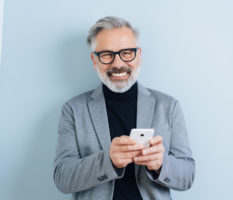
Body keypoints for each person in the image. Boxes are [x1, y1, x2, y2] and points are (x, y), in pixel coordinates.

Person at [53, 16, 195, 200]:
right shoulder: (73, 109)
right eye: (106, 54)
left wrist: (161, 164)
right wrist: (108, 161)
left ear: (139, 56)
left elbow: (188, 175)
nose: (118, 63)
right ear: (94, 60)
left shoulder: (168, 106)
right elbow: (62, 178)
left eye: (127, 52)